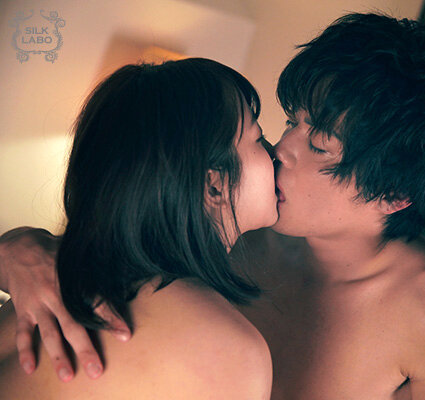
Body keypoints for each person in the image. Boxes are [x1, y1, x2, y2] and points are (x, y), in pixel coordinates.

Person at [0, 13, 425, 399]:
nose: (280, 149)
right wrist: (20, 249)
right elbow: (111, 249)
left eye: (319, 145)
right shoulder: (232, 229)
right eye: (291, 122)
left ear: (393, 195)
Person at [0, 58, 274, 399]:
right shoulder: (228, 351)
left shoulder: (37, 290)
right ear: (214, 185)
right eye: (259, 139)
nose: (275, 153)